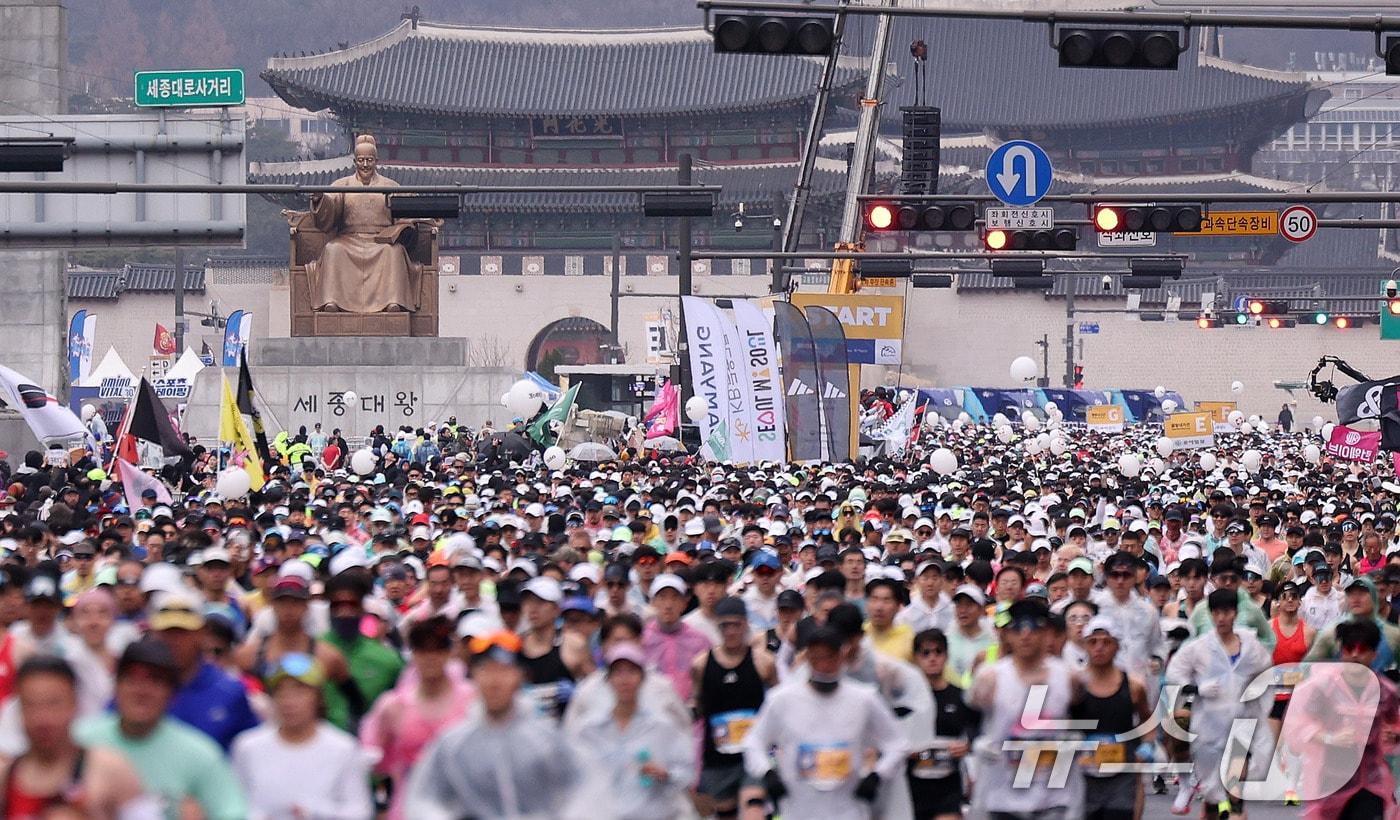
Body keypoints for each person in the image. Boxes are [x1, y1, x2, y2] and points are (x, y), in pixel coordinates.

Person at [404, 630, 580, 818]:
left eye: (503, 670)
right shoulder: (454, 745)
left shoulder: (545, 740)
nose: (494, 682)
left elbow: (580, 791)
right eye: (486, 670)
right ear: (473, 676)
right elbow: (423, 799)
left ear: (521, 676)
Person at [742, 624, 906, 820]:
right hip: (799, 809)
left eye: (830, 657)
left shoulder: (864, 699)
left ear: (841, 656)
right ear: (807, 657)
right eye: (816, 658)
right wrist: (767, 773)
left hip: (848, 809)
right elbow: (754, 741)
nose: (823, 665)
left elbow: (897, 744)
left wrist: (877, 775)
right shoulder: (782, 700)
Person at [75, 638, 248, 820]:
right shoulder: (79, 740)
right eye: (131, 680)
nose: (141, 691)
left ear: (172, 694)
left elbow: (232, 812)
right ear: (116, 687)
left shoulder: (199, 753)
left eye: (155, 681)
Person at [1, 656, 157, 818]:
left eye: (53, 704)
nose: (42, 718)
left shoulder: (110, 769)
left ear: (74, 703)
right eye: (31, 705)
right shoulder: (5, 777)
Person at [969, 598, 1084, 819]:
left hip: (1052, 797)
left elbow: (1081, 721)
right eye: (1018, 629)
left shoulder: (1068, 678)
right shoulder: (989, 678)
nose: (1026, 635)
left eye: (1034, 628)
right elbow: (969, 722)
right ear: (1007, 635)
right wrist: (979, 745)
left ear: (1047, 633)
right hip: (1003, 796)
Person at [1165, 588, 1274, 820]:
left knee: (1235, 792)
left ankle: (1235, 810)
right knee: (1213, 797)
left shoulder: (1251, 647)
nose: (1221, 618)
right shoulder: (1200, 647)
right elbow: (1175, 672)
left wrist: (1255, 698)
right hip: (1209, 727)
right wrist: (1196, 689)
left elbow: (1266, 673)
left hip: (1241, 723)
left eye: (1226, 612)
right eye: (1216, 613)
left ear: (1235, 613)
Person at [360, 616, 477, 820]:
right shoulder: (393, 706)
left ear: (448, 653)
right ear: (413, 654)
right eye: (422, 650)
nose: (430, 657)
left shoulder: (472, 700)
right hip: (407, 809)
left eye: (438, 649)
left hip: (462, 809)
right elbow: (370, 756)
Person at [231, 652, 373, 819]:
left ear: (318, 697)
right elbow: (234, 804)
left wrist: (316, 813)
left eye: (299, 691)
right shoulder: (247, 746)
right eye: (280, 691)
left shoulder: (344, 748)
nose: (288, 701)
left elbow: (359, 811)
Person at [566, 642, 694, 819]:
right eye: (618, 672)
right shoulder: (589, 729)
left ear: (642, 678)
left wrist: (666, 774)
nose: (625, 680)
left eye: (632, 672)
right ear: (608, 679)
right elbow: (572, 775)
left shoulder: (662, 727)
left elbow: (686, 772)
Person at [1289, 618, 1400, 819]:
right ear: (1342, 652)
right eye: (1349, 649)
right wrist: (1330, 737)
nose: (1355, 655)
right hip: (1331, 780)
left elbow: (1395, 724)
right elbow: (1298, 726)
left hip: (1371, 782)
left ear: (1374, 654)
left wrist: (1393, 736)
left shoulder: (1386, 692)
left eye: (1362, 649)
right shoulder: (1323, 688)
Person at [299, 133, 423, 313]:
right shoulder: (342, 185)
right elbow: (330, 208)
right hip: (349, 239)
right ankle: (332, 301)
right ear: (355, 161)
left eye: (369, 160)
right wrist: (320, 199)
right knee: (333, 249)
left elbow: (404, 217)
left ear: (376, 161)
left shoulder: (390, 186)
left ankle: (393, 302)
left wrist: (403, 226)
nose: (365, 164)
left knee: (394, 252)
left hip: (381, 241)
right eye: (361, 160)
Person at [692, 596, 777, 818]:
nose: (730, 632)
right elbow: (697, 704)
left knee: (754, 810)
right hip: (717, 757)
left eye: (736, 625)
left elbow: (778, 705)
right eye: (725, 626)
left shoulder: (763, 662)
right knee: (724, 813)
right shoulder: (701, 664)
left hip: (753, 755)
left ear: (745, 624)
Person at [149, 591, 260, 752]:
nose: (174, 641)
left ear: (201, 634)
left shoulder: (230, 691)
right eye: (167, 633)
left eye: (183, 632)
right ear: (154, 634)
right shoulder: (136, 688)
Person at [1070, 616, 1152, 820]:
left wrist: (1146, 747)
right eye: (1093, 642)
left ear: (1117, 646)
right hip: (1082, 773)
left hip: (1121, 773)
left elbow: (1147, 721)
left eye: (1106, 642)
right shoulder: (1074, 685)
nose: (1099, 648)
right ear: (1085, 646)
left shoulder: (1133, 687)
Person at [906, 628, 977, 820]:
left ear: (946, 656)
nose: (932, 658)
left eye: (938, 652)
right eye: (925, 653)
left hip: (948, 786)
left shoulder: (961, 696)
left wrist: (967, 745)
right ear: (916, 658)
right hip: (911, 786)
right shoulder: (905, 699)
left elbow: (978, 731)